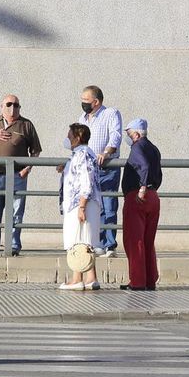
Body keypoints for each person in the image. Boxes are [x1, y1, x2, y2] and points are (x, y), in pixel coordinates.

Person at [0, 93, 42, 255]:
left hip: (17, 176)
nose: (13, 108)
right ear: (2, 106)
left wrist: (28, 168)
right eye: (9, 104)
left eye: (16, 105)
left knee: (16, 214)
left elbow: (36, 151)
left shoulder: (26, 125)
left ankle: (13, 247)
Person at [77, 85, 124, 254]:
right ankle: (97, 242)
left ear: (96, 102)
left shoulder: (110, 114)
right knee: (93, 207)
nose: (83, 103)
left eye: (86, 100)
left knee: (109, 205)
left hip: (106, 167)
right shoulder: (82, 118)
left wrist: (106, 152)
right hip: (88, 169)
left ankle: (109, 244)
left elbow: (116, 136)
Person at [120, 118, 163, 291]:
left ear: (136, 134)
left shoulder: (137, 147)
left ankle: (138, 281)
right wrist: (151, 188)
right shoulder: (153, 148)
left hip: (138, 197)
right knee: (148, 240)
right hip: (153, 197)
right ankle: (150, 279)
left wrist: (142, 188)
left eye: (129, 134)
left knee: (134, 240)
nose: (128, 138)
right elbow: (158, 172)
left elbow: (143, 166)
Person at [60, 122, 102, 290]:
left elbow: (86, 181)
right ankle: (91, 278)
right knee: (86, 242)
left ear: (77, 138)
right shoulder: (84, 154)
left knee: (77, 241)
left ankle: (76, 279)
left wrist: (82, 206)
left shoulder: (82, 154)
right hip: (84, 203)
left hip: (80, 203)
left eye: (70, 136)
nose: (68, 139)